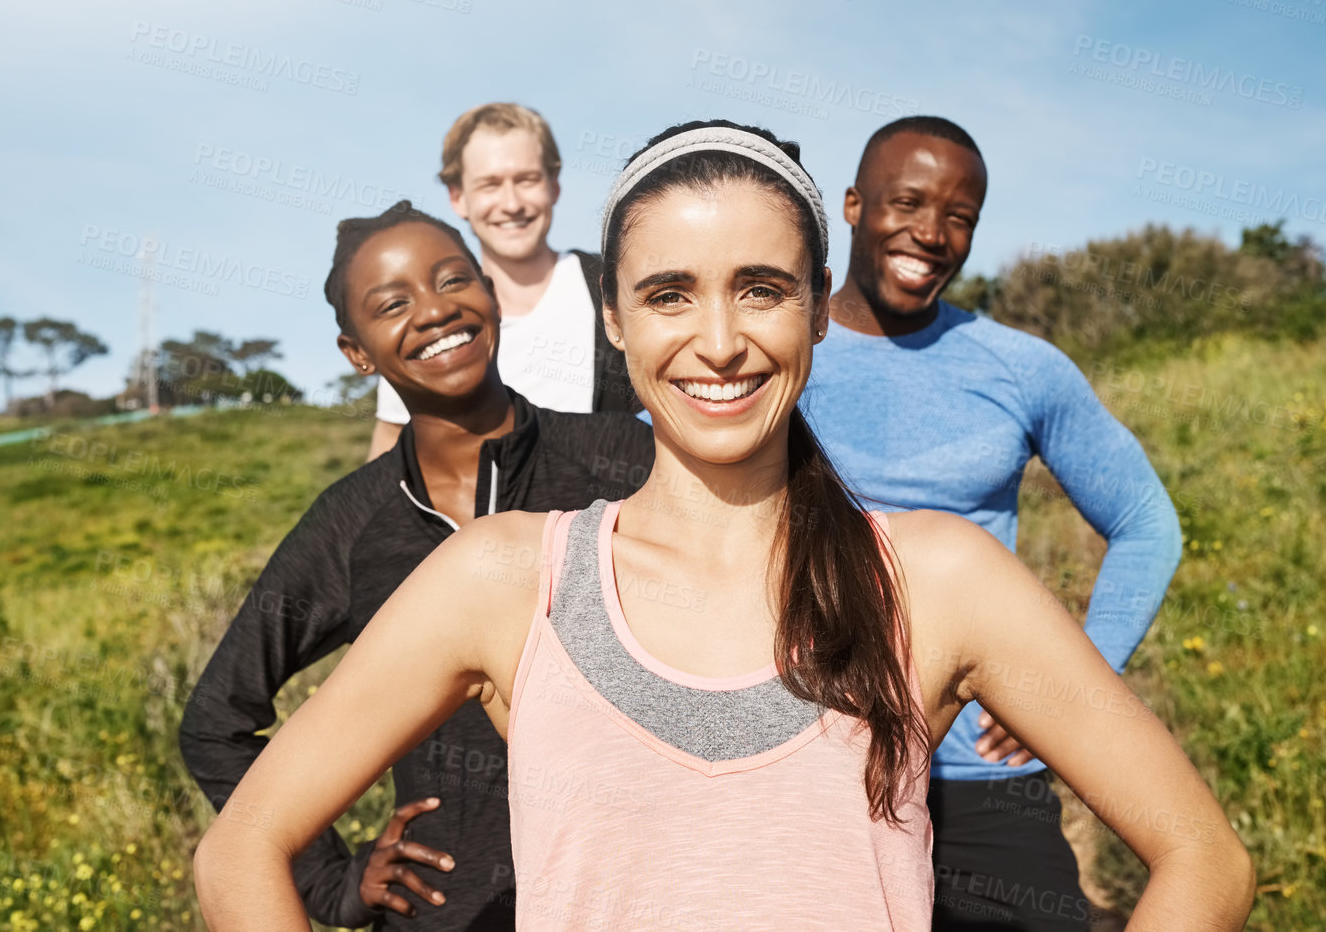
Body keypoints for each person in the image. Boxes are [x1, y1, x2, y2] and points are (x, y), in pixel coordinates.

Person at [192, 120, 1255, 932]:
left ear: (812, 307)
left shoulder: (936, 580)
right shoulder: (506, 577)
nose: (718, 341)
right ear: (615, 319)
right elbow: (240, 853)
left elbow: (1202, 859)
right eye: (668, 295)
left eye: (758, 290)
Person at [179, 201, 654, 930]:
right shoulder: (351, 524)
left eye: (452, 279)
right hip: (449, 914)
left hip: (643, 897)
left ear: (492, 296)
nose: (432, 311)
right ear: (356, 353)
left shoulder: (624, 458)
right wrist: (332, 881)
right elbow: (215, 721)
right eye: (392, 303)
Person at [799, 115, 1186, 930]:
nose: (932, 233)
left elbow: (1146, 522)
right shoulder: (777, 350)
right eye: (907, 202)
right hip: (805, 772)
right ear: (852, 205)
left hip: (981, 786)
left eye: (960, 217)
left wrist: (1065, 690)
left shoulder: (1018, 367)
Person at [366, 103, 637, 461]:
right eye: (490, 185)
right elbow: (389, 454)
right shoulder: (424, 319)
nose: (511, 203)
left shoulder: (617, 290)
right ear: (458, 198)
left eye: (527, 180)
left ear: (554, 185)